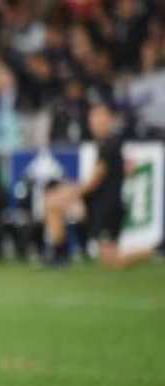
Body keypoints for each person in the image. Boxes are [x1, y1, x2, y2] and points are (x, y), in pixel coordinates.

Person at [42, 99, 126, 267]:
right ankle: (60, 255)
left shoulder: (111, 144)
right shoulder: (101, 144)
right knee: (52, 201)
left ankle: (151, 249)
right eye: (92, 118)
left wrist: (73, 194)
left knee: (113, 261)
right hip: (93, 203)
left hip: (105, 209)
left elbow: (96, 180)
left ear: (109, 120)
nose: (94, 123)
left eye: (99, 118)